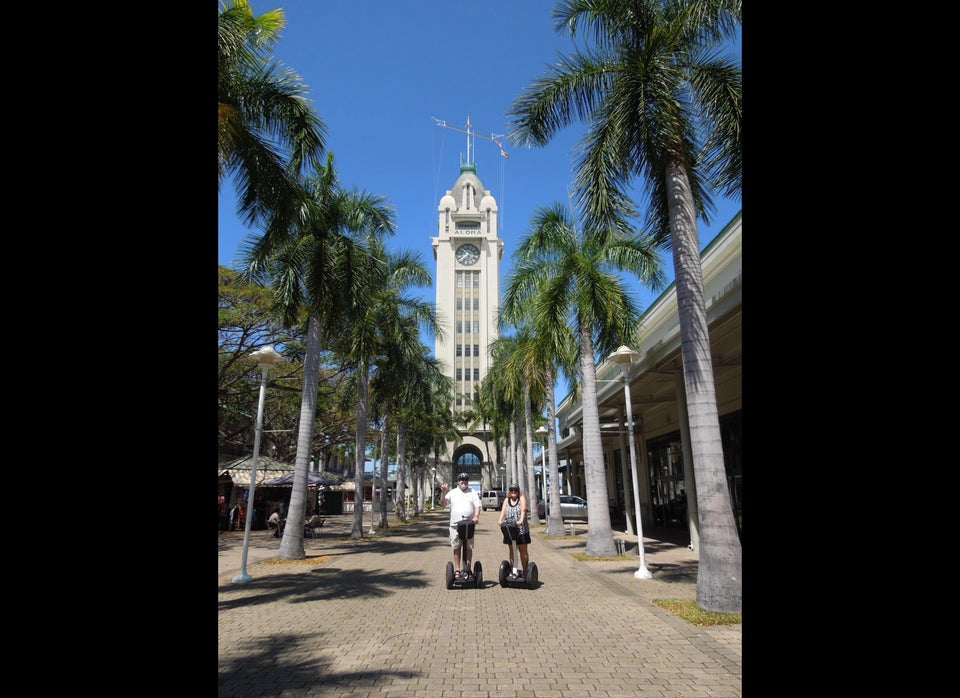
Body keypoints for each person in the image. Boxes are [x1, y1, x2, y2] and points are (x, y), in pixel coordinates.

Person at [439, 472, 481, 579]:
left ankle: (468, 569)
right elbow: (443, 503)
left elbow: (477, 506)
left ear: (468, 481)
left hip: (469, 525)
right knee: (456, 546)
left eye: (466, 480)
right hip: (455, 525)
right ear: (458, 481)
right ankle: (457, 569)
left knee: (469, 547)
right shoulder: (453, 492)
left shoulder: (473, 492)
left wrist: (476, 517)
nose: (464, 482)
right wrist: (443, 492)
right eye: (461, 480)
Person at [497, 484, 531, 576]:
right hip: (509, 528)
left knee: (522, 550)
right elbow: (503, 511)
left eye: (515, 490)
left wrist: (521, 520)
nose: (513, 492)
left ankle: (525, 571)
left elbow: (523, 510)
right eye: (511, 490)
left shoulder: (521, 498)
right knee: (512, 550)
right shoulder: (506, 500)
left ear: (518, 491)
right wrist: (500, 520)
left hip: (521, 529)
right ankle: (513, 570)